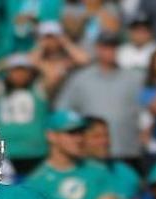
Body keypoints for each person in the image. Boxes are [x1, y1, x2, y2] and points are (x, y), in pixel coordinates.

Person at [55, 32, 144, 168]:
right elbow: (62, 110)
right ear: (97, 48)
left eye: (113, 47)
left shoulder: (135, 78)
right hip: (92, 154)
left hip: (127, 151)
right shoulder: (80, 79)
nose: (109, 51)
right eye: (105, 47)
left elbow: (148, 111)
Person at [0, 52, 56, 177]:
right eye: (15, 70)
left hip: (34, 152)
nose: (20, 74)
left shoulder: (39, 89)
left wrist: (34, 61)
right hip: (6, 153)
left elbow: (53, 75)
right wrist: (2, 63)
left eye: (24, 70)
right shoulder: (1, 90)